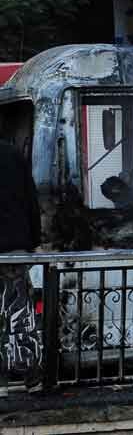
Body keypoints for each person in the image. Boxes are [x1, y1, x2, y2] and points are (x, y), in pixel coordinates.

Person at [0, 140, 42, 390]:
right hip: (15, 248)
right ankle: (32, 375)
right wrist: (34, 239)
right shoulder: (13, 154)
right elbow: (31, 199)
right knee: (20, 313)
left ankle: (1, 380)